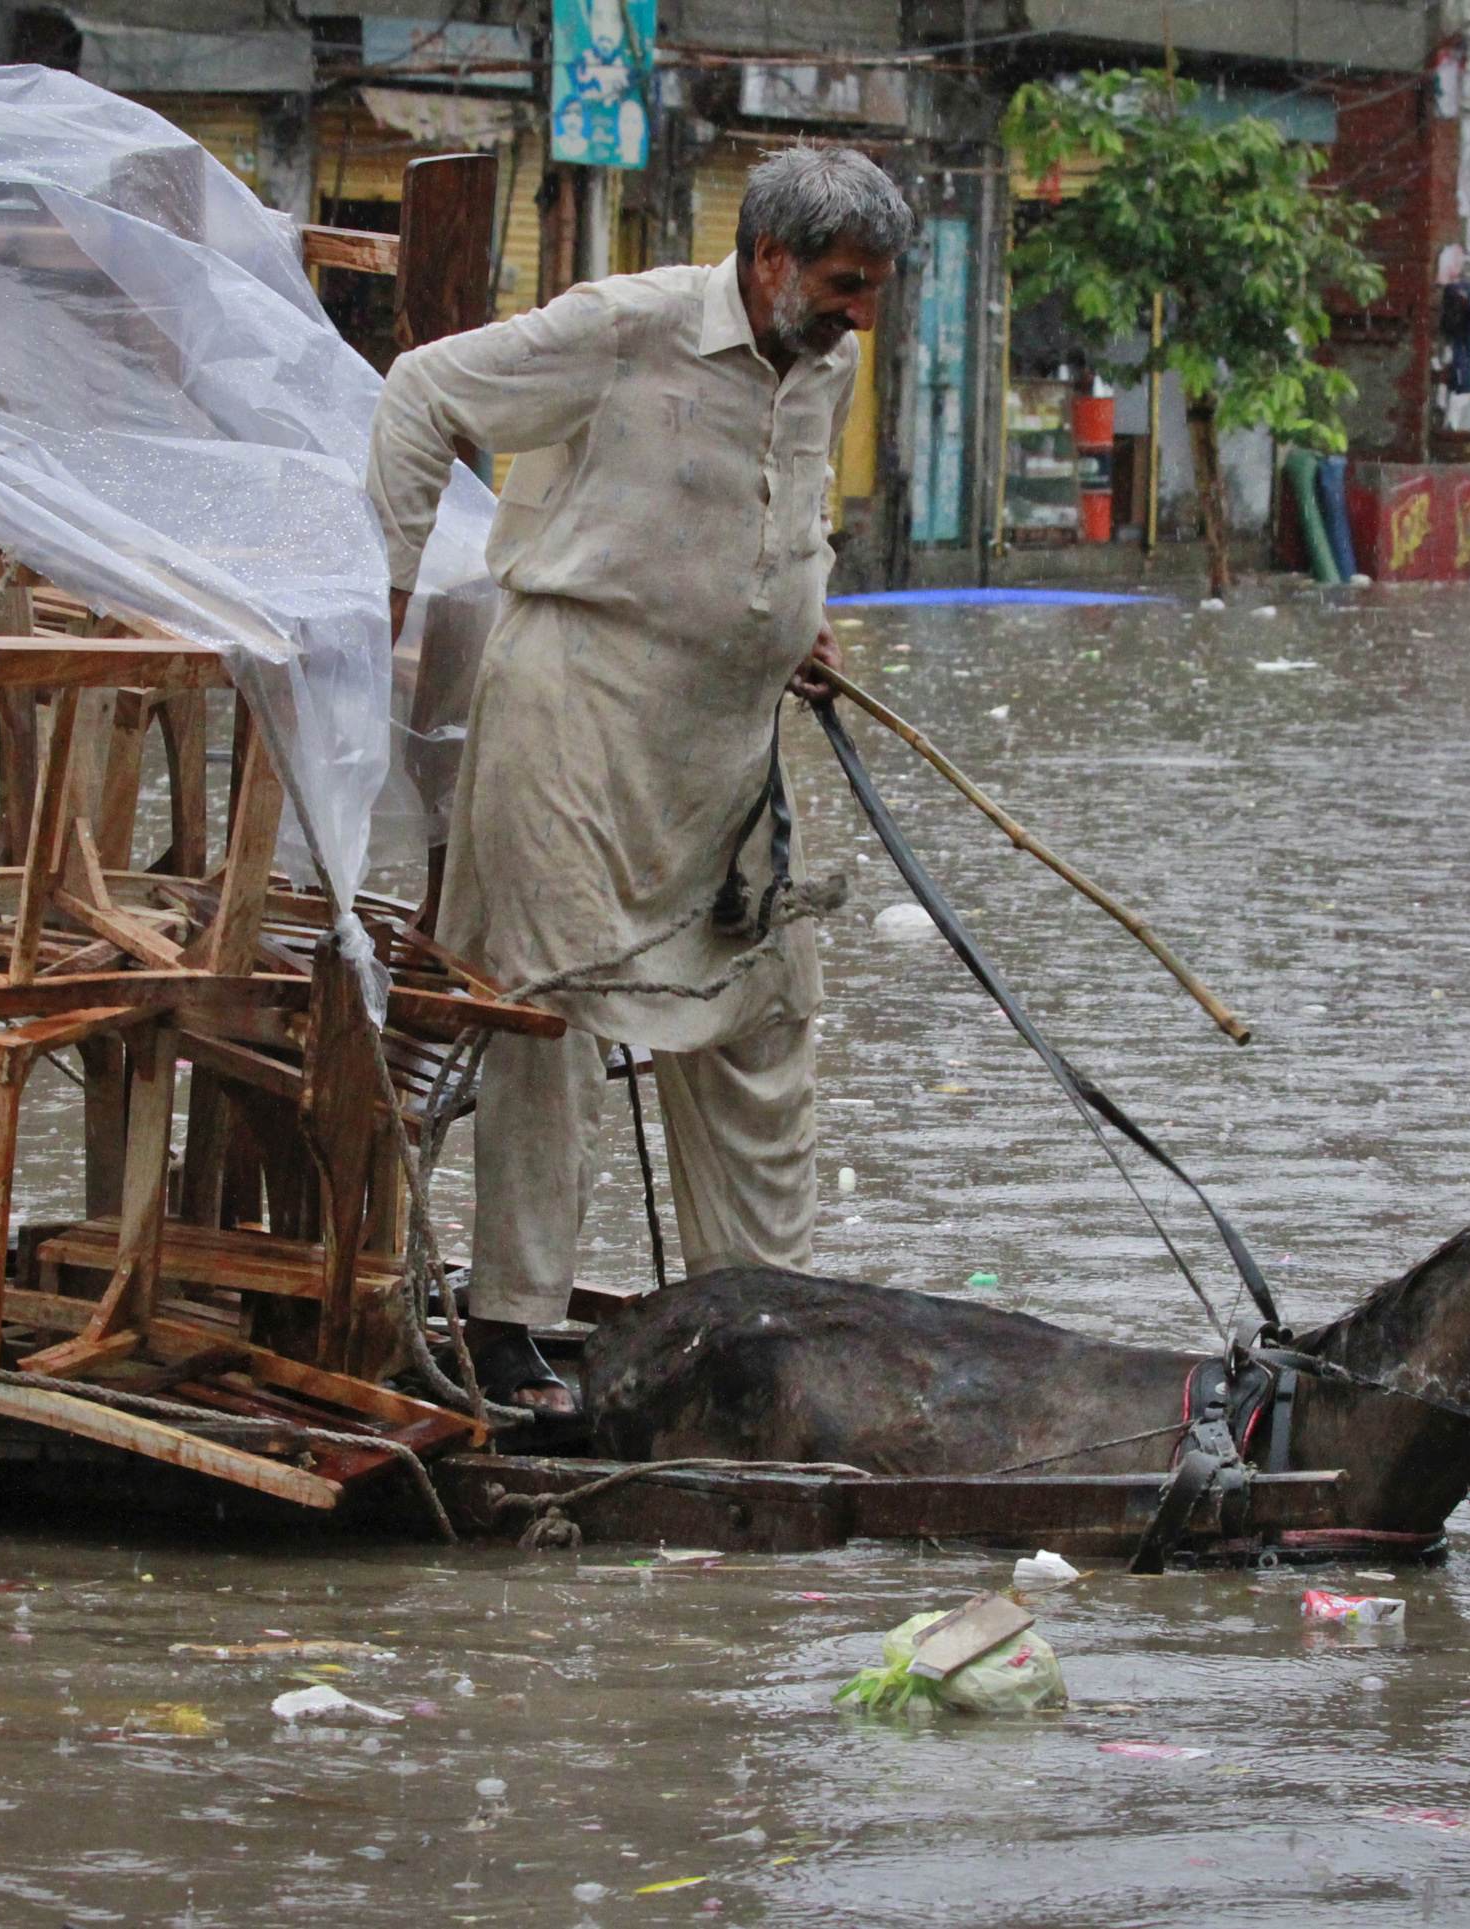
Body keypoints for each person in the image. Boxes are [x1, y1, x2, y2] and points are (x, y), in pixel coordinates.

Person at [368, 146, 910, 1414]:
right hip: (576, 724)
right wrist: (382, 607)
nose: (861, 315)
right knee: (549, 1016)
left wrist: (794, 616)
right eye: (843, 284)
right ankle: (515, 1326)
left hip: (721, 751)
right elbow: (419, 394)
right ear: (768, 259)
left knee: (766, 1009)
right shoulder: (627, 330)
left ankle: (764, 1315)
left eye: (876, 289)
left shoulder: (823, 362)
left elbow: (774, 509)